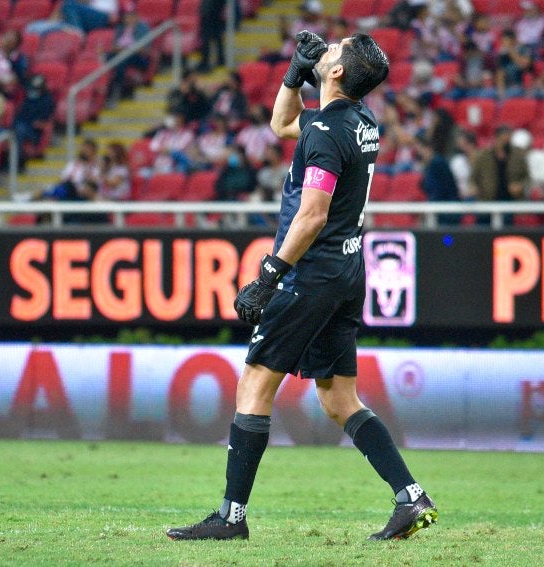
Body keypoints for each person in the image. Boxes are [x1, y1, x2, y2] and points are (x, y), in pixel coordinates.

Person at [166, 31, 438, 542]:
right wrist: (294, 73)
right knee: (338, 398)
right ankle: (411, 498)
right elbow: (281, 122)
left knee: (255, 381)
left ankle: (231, 517)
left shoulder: (325, 132)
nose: (327, 48)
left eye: (334, 49)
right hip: (347, 269)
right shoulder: (360, 122)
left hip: (310, 272)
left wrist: (268, 276)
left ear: (336, 73)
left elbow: (311, 214)